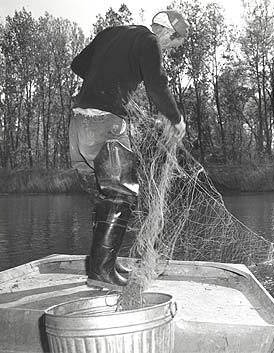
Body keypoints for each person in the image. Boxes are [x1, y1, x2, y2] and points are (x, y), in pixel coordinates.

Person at [69, 10, 189, 291]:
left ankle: (104, 263)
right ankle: (101, 272)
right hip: (106, 122)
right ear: (169, 33)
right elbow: (157, 86)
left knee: (105, 197)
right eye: (173, 44)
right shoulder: (149, 41)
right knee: (121, 194)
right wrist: (176, 119)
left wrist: (106, 76)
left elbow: (78, 65)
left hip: (78, 125)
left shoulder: (112, 32)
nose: (168, 50)